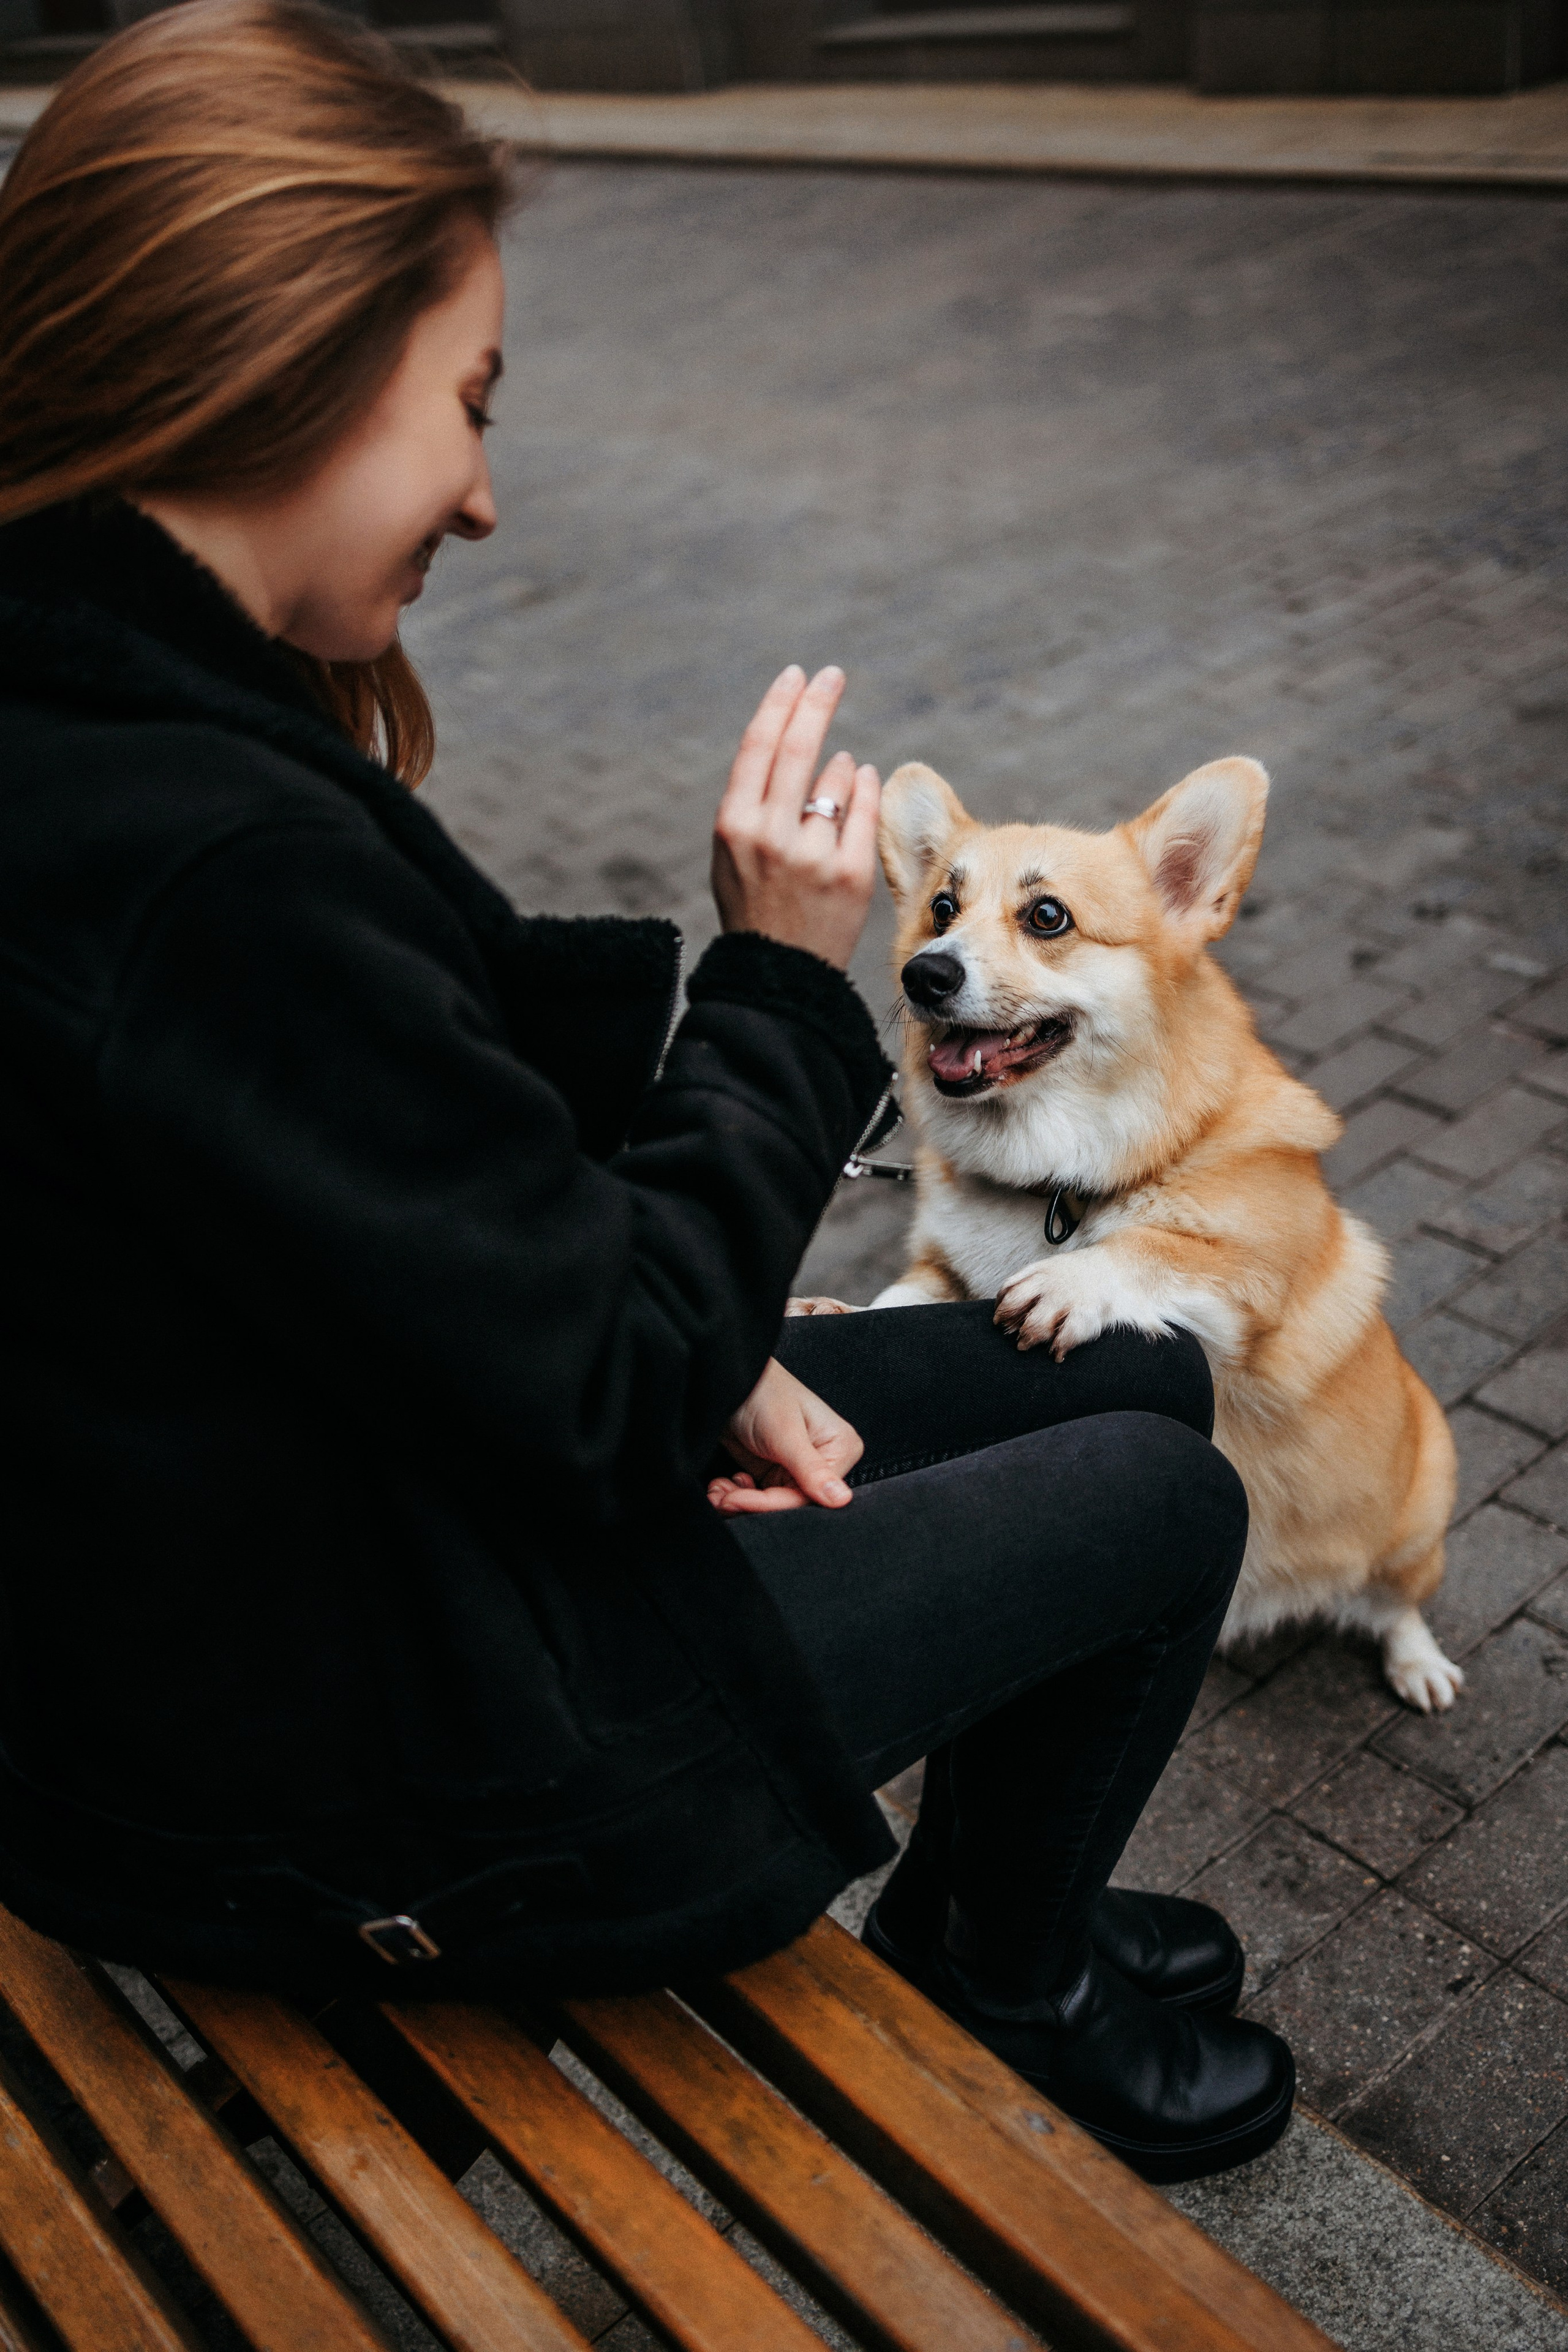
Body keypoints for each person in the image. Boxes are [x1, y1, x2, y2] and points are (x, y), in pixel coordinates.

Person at [0, 0, 1293, 2182]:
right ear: (279, 356)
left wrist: (680, 1354)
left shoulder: (95, 715)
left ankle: (1004, 1900)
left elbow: (339, 1174)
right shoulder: (206, 860)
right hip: (390, 1774)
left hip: (272, 1606)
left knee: (1130, 1388)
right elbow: (587, 1366)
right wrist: (779, 991)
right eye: (468, 403)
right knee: (1169, 1503)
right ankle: (1004, 1983)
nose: (490, 498)